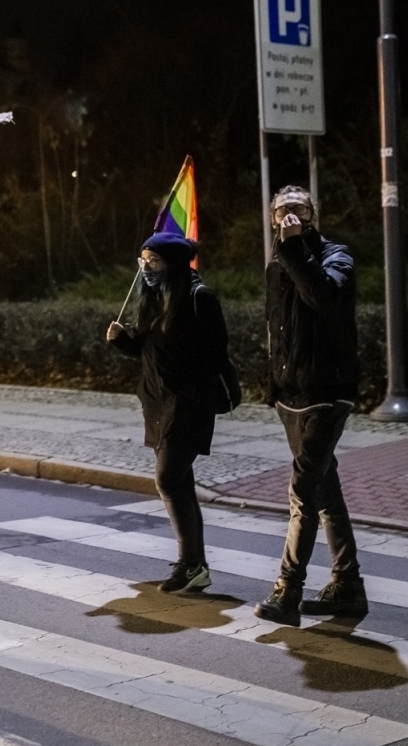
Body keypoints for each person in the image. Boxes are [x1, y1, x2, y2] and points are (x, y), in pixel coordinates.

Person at [253, 185, 368, 627]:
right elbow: (278, 331)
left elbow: (323, 298)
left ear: (312, 215)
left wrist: (296, 248)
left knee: (302, 490)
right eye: (281, 211)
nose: (289, 217)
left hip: (327, 391)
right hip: (292, 396)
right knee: (325, 491)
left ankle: (288, 589)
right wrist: (275, 387)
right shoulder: (277, 264)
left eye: (298, 209)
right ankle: (348, 586)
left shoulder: (335, 256)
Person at [106, 232, 228, 594]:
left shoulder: (198, 299)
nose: (146, 269)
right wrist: (123, 343)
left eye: (153, 262)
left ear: (173, 263)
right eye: (143, 261)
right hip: (157, 402)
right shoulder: (153, 297)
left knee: (168, 479)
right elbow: (149, 352)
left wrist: (189, 386)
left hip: (188, 404)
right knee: (181, 482)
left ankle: (190, 563)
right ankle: (195, 565)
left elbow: (216, 356)